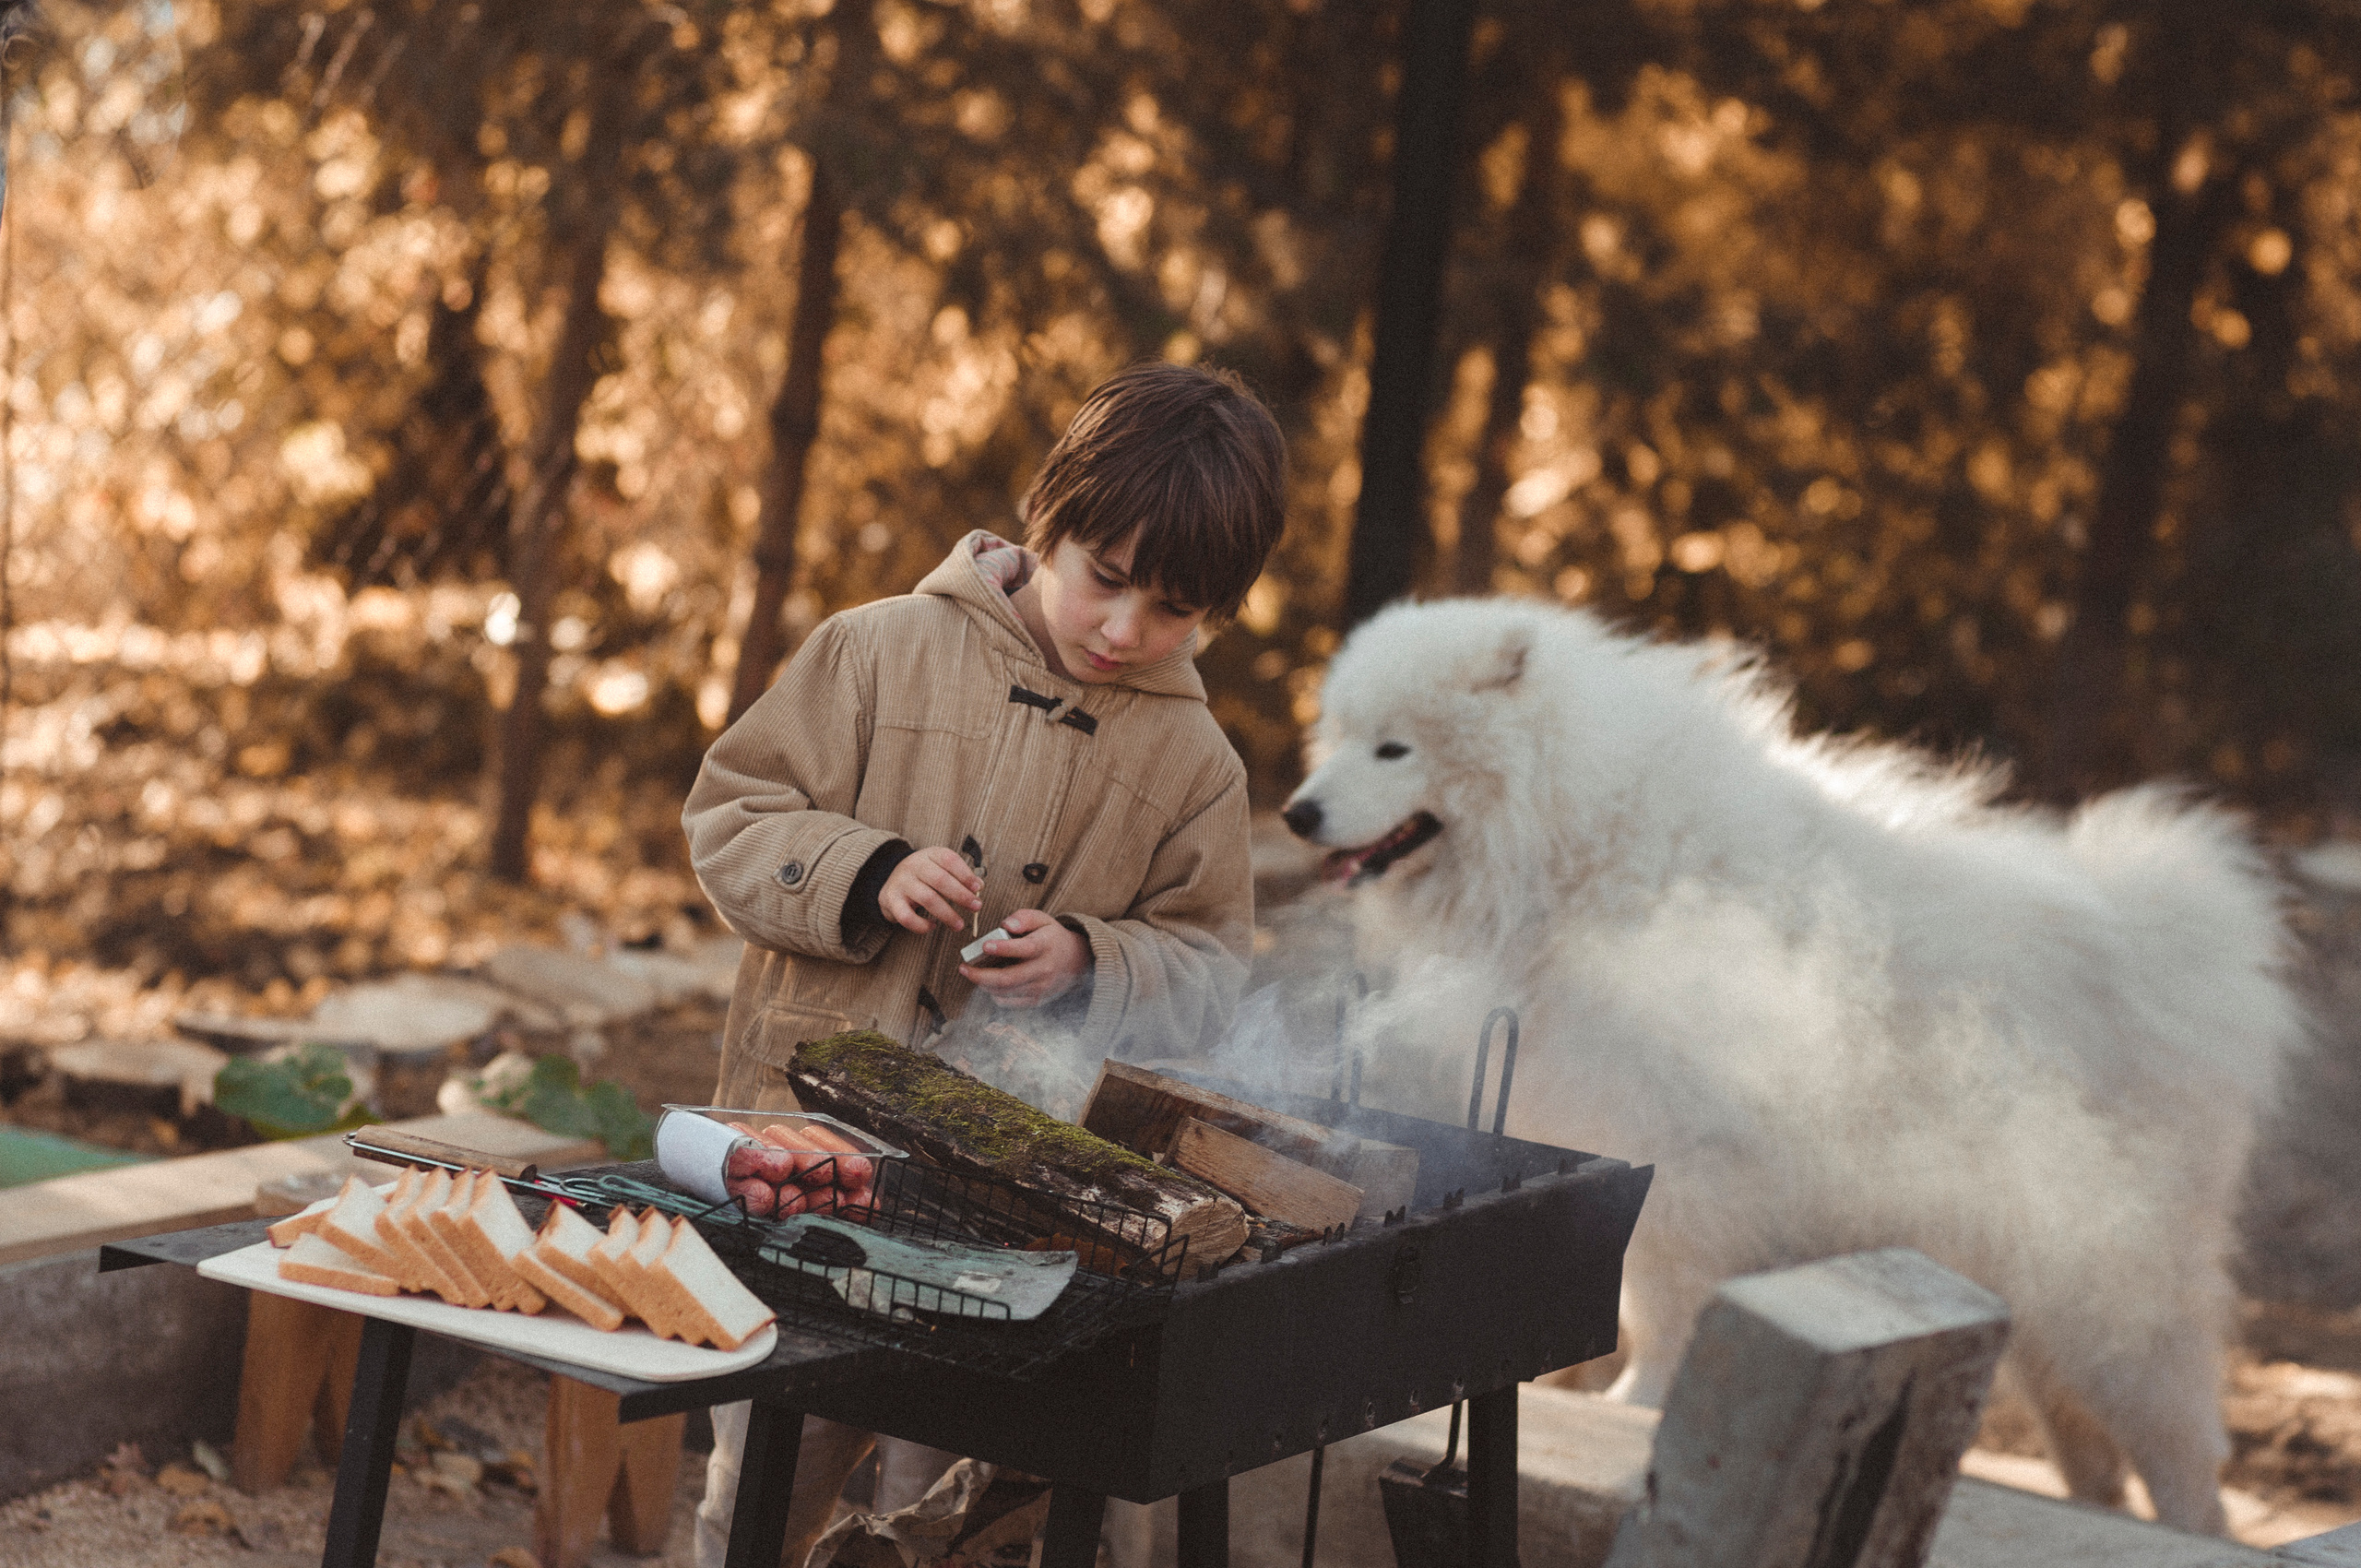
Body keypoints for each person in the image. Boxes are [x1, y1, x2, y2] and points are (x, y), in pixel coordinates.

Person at [680, 359, 1287, 1566]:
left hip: (1016, 1214)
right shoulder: (876, 652)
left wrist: (1093, 958)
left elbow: (1214, 967)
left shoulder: (1195, 763)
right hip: (811, 1168)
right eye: (1105, 580)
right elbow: (730, 816)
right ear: (1045, 522)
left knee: (964, 1504)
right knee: (765, 1476)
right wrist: (862, 870)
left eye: (1170, 610)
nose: (1125, 629)